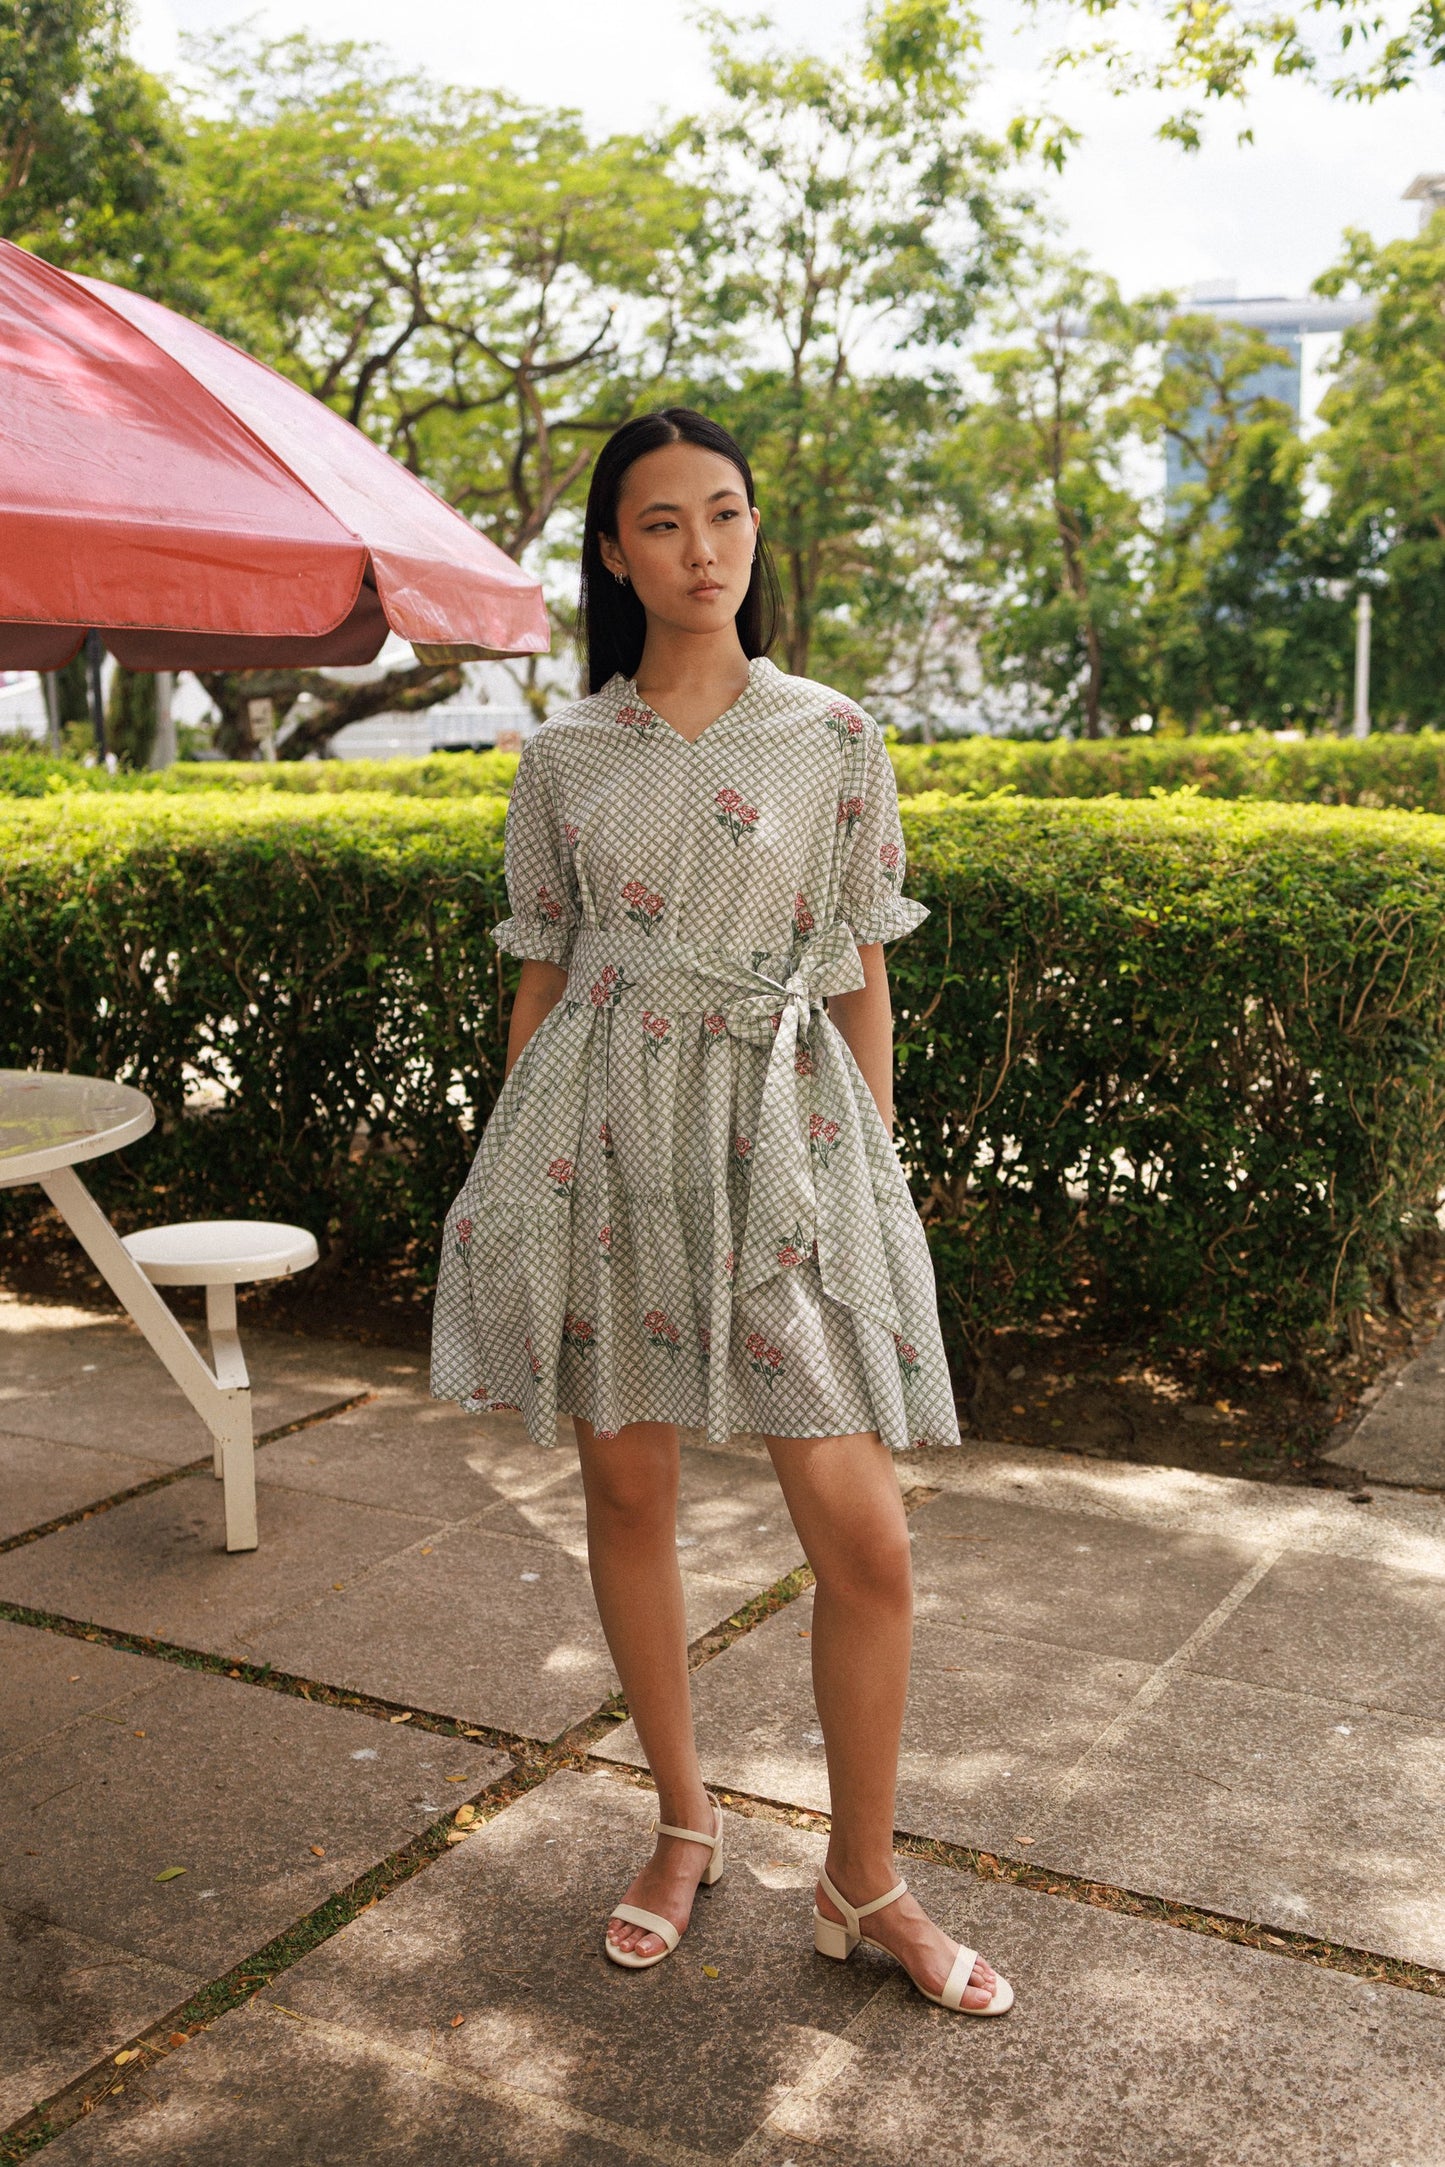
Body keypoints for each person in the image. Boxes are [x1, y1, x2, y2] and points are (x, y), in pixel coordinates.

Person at [431, 408, 1012, 2017]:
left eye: (728, 514)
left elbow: (856, 973)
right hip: (601, 1130)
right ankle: (680, 1826)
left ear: (756, 534)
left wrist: (867, 1173)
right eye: (664, 523)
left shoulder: (831, 736)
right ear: (613, 552)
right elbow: (541, 983)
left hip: (777, 1134)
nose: (703, 549)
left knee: (868, 1546)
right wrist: (509, 1191)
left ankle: (862, 1879)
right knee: (627, 1497)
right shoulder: (564, 757)